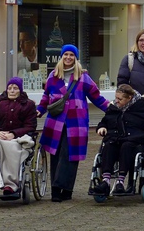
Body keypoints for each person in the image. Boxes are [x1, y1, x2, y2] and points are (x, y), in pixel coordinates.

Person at [37, 44, 110, 202]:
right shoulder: (53, 76)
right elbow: (45, 97)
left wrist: (111, 108)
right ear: (61, 57)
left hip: (76, 122)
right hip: (55, 122)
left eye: (71, 55)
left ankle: (67, 189)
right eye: (66, 55)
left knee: (70, 156)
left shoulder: (83, 78)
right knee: (56, 155)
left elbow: (96, 97)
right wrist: (39, 110)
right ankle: (56, 190)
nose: (68, 57)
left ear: (76, 58)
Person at [93, 84, 144, 196]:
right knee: (108, 145)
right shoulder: (114, 107)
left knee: (126, 146)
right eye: (116, 98)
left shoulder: (143, 106)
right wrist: (102, 127)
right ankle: (105, 181)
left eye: (120, 99)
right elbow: (105, 120)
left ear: (129, 98)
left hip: (135, 138)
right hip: (116, 137)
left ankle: (120, 182)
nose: (116, 101)